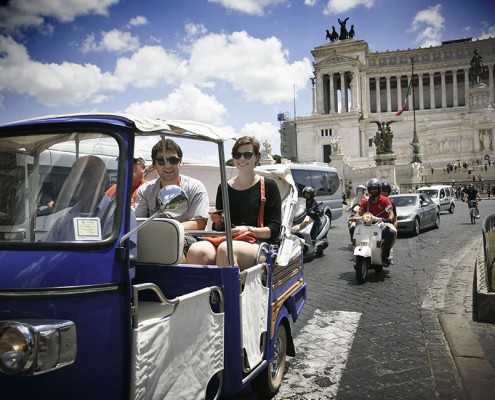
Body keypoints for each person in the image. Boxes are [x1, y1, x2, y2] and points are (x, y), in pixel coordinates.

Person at [186, 136, 281, 270]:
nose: (242, 159)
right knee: (196, 251)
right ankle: (205, 290)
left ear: (257, 157)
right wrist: (218, 222)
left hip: (257, 242)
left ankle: (229, 291)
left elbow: (274, 229)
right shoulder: (224, 187)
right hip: (228, 240)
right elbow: (218, 229)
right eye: (237, 155)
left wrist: (249, 229)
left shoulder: (269, 186)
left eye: (247, 154)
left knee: (226, 251)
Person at [134, 138, 209, 254]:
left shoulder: (195, 187)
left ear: (180, 162)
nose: (168, 165)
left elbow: (199, 224)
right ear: (154, 164)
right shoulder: (145, 190)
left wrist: (166, 231)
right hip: (153, 237)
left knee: (169, 243)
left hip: (188, 237)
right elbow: (138, 221)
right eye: (161, 161)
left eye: (173, 160)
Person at [45, 156, 119, 241]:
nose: (78, 182)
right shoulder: (65, 217)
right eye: (74, 176)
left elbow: (115, 252)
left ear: (104, 180)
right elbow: (45, 249)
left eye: (85, 175)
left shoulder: (116, 214)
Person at [348, 178, 395, 266]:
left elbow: (390, 212)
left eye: (375, 188)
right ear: (369, 190)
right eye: (371, 189)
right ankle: (354, 250)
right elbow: (359, 212)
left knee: (391, 232)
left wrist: (389, 218)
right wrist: (354, 218)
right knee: (353, 228)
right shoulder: (366, 202)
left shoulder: (385, 200)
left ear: (379, 189)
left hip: (382, 223)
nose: (373, 191)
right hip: (367, 223)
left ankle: (385, 256)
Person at [381, 182, 398, 249]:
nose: (382, 193)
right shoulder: (372, 202)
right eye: (381, 191)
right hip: (373, 226)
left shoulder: (391, 204)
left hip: (385, 226)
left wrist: (392, 227)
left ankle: (386, 253)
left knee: (392, 233)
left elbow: (395, 219)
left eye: (384, 191)